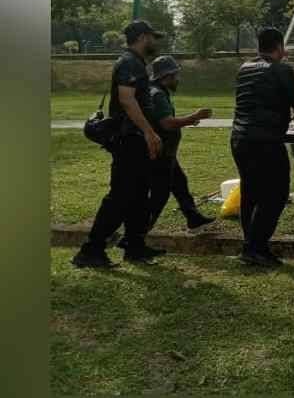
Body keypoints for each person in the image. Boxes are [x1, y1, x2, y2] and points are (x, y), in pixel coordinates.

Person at [230, 27, 294, 267]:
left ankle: (251, 246)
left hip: (239, 139)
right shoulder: (281, 69)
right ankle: (256, 247)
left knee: (251, 193)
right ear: (280, 47)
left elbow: (268, 95)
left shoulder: (244, 69)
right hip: (265, 141)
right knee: (276, 193)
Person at [72, 20, 165, 268]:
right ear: (143, 37)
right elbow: (126, 100)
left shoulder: (134, 62)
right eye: (153, 37)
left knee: (138, 196)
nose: (155, 42)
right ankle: (91, 250)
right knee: (121, 196)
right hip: (129, 139)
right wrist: (149, 132)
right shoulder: (129, 62)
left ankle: (135, 247)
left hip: (136, 139)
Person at [143, 55, 215, 235]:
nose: (177, 79)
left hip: (166, 152)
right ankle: (138, 233)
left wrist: (188, 120)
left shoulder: (155, 90)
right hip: (161, 153)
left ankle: (194, 219)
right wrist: (194, 116)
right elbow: (166, 123)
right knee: (159, 195)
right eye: (175, 75)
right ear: (166, 76)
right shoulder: (158, 94)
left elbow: (164, 120)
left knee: (180, 185)